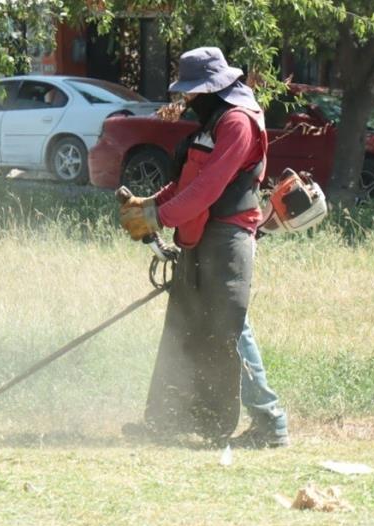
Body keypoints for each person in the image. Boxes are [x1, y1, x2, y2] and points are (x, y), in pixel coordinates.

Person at [119, 46, 285, 447]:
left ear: (217, 86)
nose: (190, 100)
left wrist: (158, 218)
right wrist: (151, 203)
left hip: (227, 237)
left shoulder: (238, 123)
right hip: (200, 233)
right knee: (185, 327)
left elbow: (209, 189)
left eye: (194, 92)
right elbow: (189, 179)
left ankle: (269, 423)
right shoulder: (213, 121)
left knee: (230, 329)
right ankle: (171, 419)